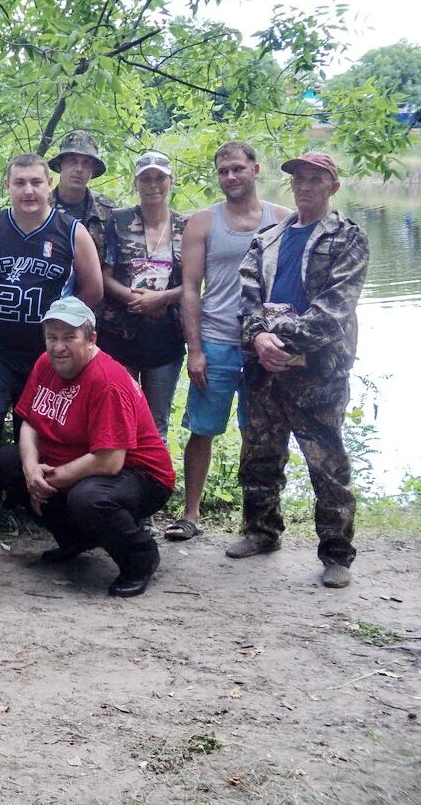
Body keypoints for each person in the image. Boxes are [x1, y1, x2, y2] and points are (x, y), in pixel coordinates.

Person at [228, 152, 369, 589]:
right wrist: (258, 340)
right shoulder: (267, 238)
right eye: (299, 179)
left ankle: (337, 554)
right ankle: (261, 531)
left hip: (317, 373)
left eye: (315, 179)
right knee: (259, 454)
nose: (305, 186)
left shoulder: (347, 238)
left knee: (326, 463)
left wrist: (283, 344)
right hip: (264, 368)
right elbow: (246, 297)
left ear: (333, 186)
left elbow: (335, 308)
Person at [0, 298, 176, 597]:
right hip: (78, 461)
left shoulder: (106, 380)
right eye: (52, 337)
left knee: (88, 498)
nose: (58, 346)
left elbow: (110, 461)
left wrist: (47, 481)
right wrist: (30, 470)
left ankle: (140, 558)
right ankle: (75, 538)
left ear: (91, 339)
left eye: (69, 337)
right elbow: (30, 423)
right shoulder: (45, 363)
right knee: (4, 462)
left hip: (139, 473)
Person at [0, 153, 102, 544]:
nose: (28, 190)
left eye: (35, 182)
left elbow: (92, 289)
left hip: (48, 355)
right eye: (19, 182)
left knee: (44, 426)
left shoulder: (71, 229)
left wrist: (62, 332)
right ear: (8, 186)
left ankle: (30, 502)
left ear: (50, 185)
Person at [168, 142, 290, 541]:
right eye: (223, 171)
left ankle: (253, 520)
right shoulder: (203, 223)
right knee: (202, 429)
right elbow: (189, 289)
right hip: (216, 340)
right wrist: (195, 350)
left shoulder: (283, 221)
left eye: (238, 169)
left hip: (264, 347)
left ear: (256, 169)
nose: (230, 177)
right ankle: (191, 514)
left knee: (259, 434)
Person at [100, 151, 188, 442]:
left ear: (171, 181)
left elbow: (195, 283)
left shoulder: (186, 227)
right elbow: (104, 275)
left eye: (159, 178)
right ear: (136, 184)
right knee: (119, 414)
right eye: (146, 179)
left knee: (156, 420)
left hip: (166, 338)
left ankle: (153, 482)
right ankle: (117, 480)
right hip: (119, 336)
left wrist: (161, 299)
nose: (153, 185)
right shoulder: (118, 221)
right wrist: (134, 298)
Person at [47, 130, 117, 262]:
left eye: (86, 163)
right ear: (60, 165)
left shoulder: (108, 210)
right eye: (72, 161)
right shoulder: (41, 207)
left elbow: (114, 263)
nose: (79, 169)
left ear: (93, 170)